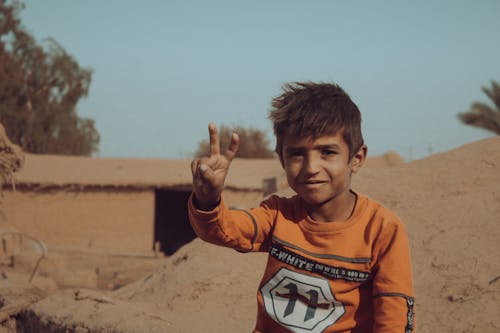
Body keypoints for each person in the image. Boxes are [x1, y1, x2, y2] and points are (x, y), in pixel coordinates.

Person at [188, 81, 415, 333]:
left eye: (327, 152)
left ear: (357, 158)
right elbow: (223, 230)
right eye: (297, 154)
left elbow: (393, 318)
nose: (310, 167)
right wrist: (208, 198)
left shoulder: (382, 230)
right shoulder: (276, 214)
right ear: (282, 159)